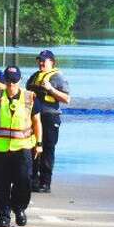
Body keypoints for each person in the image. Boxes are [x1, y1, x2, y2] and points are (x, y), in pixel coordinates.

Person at [0, 66, 41, 227]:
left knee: (24, 181)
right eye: (8, 80)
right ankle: (3, 216)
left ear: (20, 80)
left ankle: (19, 207)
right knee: (0, 185)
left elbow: (37, 122)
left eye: (14, 80)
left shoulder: (30, 98)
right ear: (4, 80)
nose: (11, 83)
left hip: (23, 147)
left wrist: (39, 144)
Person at [25, 50, 69, 193]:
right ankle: (33, 180)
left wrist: (50, 89)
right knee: (33, 148)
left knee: (48, 150)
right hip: (34, 117)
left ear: (52, 62)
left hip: (50, 117)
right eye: (40, 60)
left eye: (44, 60)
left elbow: (67, 99)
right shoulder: (34, 76)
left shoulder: (58, 77)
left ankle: (45, 183)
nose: (41, 63)